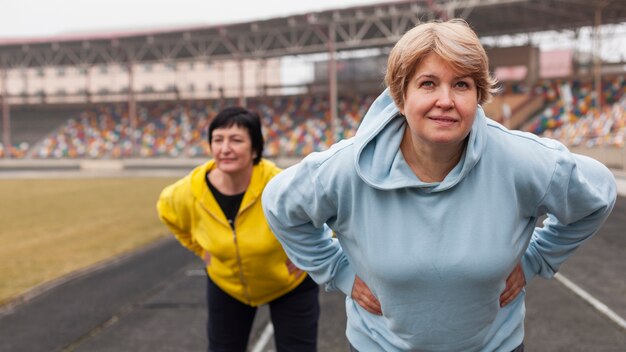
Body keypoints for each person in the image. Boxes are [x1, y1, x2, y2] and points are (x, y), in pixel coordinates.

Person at [261, 19, 616, 352]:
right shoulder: (347, 169)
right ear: (401, 97)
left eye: (461, 84)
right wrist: (336, 270)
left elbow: (597, 195)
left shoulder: (521, 160)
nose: (445, 100)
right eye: (428, 83)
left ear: (478, 95)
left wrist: (539, 257)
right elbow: (279, 205)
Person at [157, 107, 319, 352]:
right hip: (228, 284)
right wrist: (199, 248)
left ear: (255, 149)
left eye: (236, 140)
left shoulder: (280, 184)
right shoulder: (187, 192)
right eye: (218, 139)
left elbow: (326, 213)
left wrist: (308, 254)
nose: (225, 148)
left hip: (289, 285)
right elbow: (167, 212)